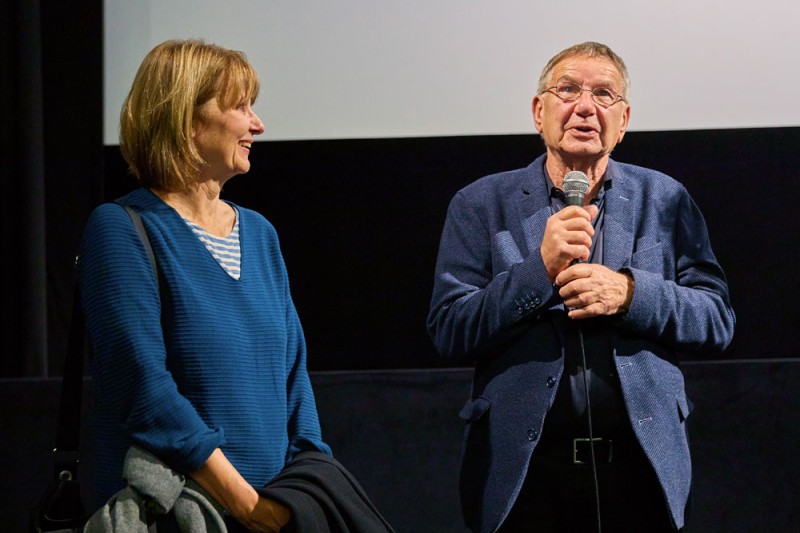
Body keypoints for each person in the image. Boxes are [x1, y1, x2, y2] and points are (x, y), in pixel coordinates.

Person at [79, 40, 391, 533]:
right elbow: (144, 390)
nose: (257, 124)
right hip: (183, 515)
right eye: (240, 107)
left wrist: (303, 493)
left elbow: (294, 381)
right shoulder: (121, 228)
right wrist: (246, 504)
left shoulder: (260, 233)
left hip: (272, 512)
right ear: (187, 119)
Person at [426, 42, 735, 532]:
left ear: (624, 119)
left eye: (604, 94)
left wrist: (631, 295)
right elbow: (449, 329)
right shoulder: (481, 204)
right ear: (538, 111)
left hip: (643, 472)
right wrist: (538, 270)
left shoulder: (665, 199)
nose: (585, 106)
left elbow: (716, 320)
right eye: (567, 89)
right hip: (525, 478)